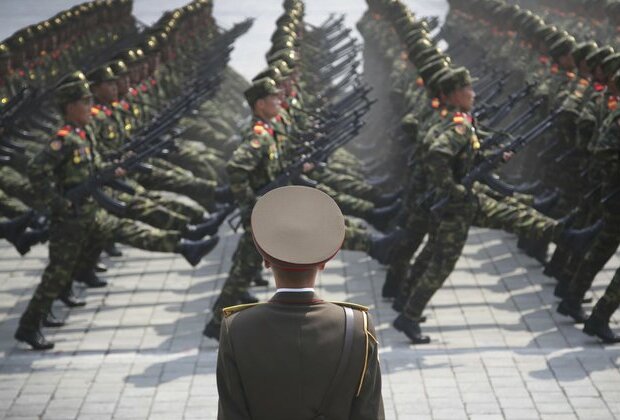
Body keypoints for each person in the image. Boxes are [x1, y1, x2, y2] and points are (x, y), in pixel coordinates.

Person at [216, 185, 384, 420]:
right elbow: (369, 413)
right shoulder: (357, 326)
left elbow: (232, 414)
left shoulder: (236, 328)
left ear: (265, 261)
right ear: (324, 262)